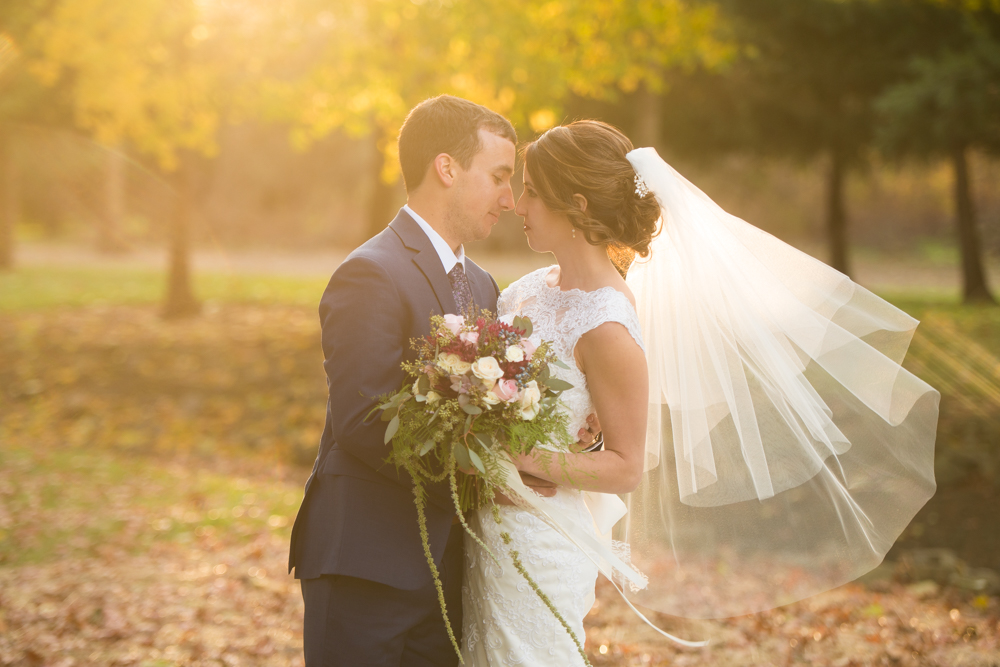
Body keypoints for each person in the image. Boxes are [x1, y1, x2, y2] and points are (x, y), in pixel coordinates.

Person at [461, 119, 938, 663]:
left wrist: (516, 456)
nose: (517, 205)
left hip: (540, 542)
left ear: (577, 206)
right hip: (487, 534)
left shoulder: (608, 324)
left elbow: (625, 467)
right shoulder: (523, 293)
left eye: (532, 193)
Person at [287, 96, 600, 667]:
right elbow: (363, 421)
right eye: (500, 177)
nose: (511, 199)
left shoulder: (483, 286)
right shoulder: (371, 273)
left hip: (455, 571)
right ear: (447, 168)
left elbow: (500, 406)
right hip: (366, 561)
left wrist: (574, 430)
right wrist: (491, 471)